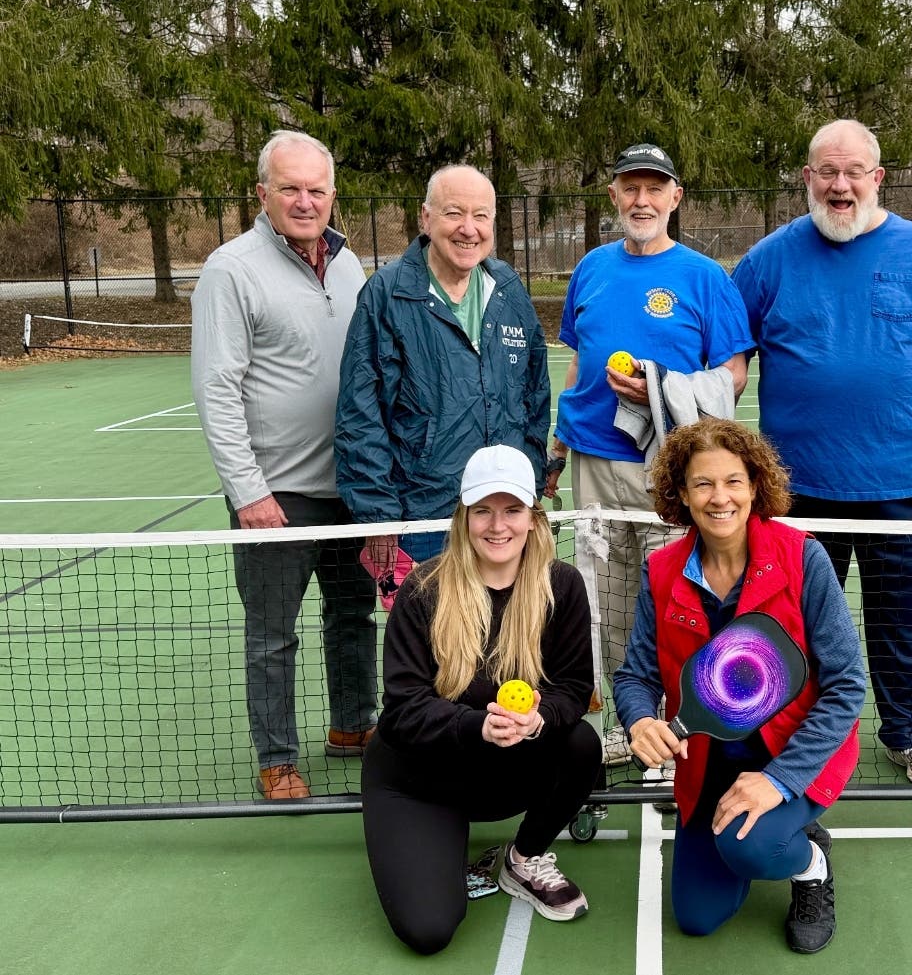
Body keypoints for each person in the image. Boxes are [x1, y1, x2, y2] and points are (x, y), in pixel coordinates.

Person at [732, 118, 912, 783]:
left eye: (852, 172)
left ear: (876, 178)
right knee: (789, 629)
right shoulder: (767, 260)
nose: (839, 185)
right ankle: (787, 732)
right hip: (794, 491)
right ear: (807, 179)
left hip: (908, 485)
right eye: (826, 172)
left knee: (909, 625)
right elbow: (730, 357)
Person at [613, 419, 865, 953]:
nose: (719, 497)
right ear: (681, 493)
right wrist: (638, 718)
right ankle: (754, 837)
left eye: (733, 481)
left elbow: (846, 685)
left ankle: (809, 863)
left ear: (755, 486)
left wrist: (778, 779)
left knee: (751, 849)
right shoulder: (661, 571)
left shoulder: (803, 559)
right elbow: (635, 675)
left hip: (792, 753)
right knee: (699, 918)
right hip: (706, 764)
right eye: (703, 483)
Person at [547, 143, 754, 760]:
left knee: (671, 603)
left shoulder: (704, 277)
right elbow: (578, 367)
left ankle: (676, 733)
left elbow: (734, 374)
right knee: (603, 602)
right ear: (613, 195)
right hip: (592, 466)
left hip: (669, 469)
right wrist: (556, 451)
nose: (642, 200)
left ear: (674, 198)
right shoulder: (591, 268)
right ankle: (625, 724)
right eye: (630, 188)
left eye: (653, 189)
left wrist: (663, 390)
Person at [191, 130, 378, 800]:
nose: (305, 201)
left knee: (354, 612)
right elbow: (216, 387)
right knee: (273, 636)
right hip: (275, 495)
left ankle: (355, 726)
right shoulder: (230, 269)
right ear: (262, 192)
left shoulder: (351, 264)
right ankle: (278, 760)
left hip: (353, 486)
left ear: (332, 195)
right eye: (291, 188)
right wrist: (247, 492)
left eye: (317, 189)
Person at [361, 444, 600, 955]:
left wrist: (538, 720)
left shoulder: (561, 585)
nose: (498, 526)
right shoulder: (423, 589)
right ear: (463, 516)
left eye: (512, 510)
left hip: (507, 768)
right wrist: (478, 727)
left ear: (533, 519)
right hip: (419, 777)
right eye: (483, 511)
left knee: (580, 744)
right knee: (428, 930)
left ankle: (524, 857)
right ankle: (435, 844)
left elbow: (574, 689)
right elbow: (402, 712)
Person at [335, 164, 551, 571]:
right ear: (426, 217)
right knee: (431, 633)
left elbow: (535, 397)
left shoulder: (507, 287)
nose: (468, 228)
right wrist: (379, 516)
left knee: (509, 632)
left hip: (505, 515)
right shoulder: (386, 294)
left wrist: (531, 483)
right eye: (454, 213)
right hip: (425, 518)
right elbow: (360, 413)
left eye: (480, 216)